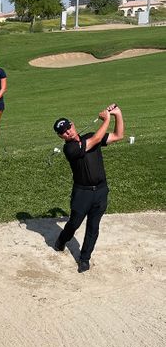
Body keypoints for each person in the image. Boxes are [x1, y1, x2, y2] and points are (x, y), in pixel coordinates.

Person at [53, 104, 124, 273]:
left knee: (93, 226)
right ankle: (62, 240)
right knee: (74, 223)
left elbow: (118, 135)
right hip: (82, 193)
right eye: (63, 131)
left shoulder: (92, 136)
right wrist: (106, 119)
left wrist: (117, 115)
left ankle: (85, 259)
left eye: (68, 127)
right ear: (60, 136)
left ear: (73, 124)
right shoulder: (69, 148)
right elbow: (94, 141)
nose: (68, 132)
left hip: (100, 191)